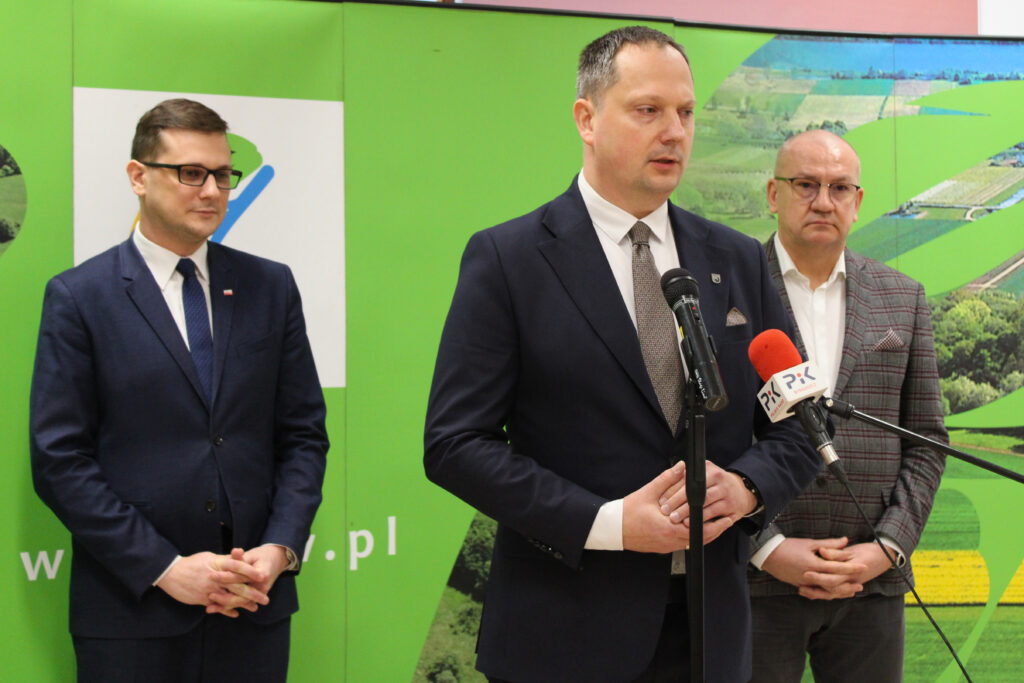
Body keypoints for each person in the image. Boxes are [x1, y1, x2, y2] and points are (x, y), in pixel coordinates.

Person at [424, 26, 821, 682]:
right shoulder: (508, 259)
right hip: (563, 633)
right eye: (648, 110)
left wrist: (747, 488)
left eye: (685, 113)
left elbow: (800, 424)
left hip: (710, 633)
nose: (674, 132)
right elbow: (454, 444)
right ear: (586, 118)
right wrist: (606, 522)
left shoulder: (737, 260)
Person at [30, 98, 328, 683]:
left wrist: (280, 549)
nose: (212, 191)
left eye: (223, 174)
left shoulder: (270, 286)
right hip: (132, 613)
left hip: (253, 606)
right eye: (191, 173)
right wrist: (165, 567)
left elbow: (303, 436)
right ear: (139, 177)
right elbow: (60, 460)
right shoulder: (79, 297)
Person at [748, 129, 947, 682]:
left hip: (871, 582)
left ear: (857, 202)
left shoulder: (902, 297)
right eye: (805, 185)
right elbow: (700, 440)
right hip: (756, 582)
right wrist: (768, 548)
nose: (823, 201)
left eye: (839, 188)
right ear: (774, 194)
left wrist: (888, 546)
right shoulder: (728, 292)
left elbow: (927, 442)